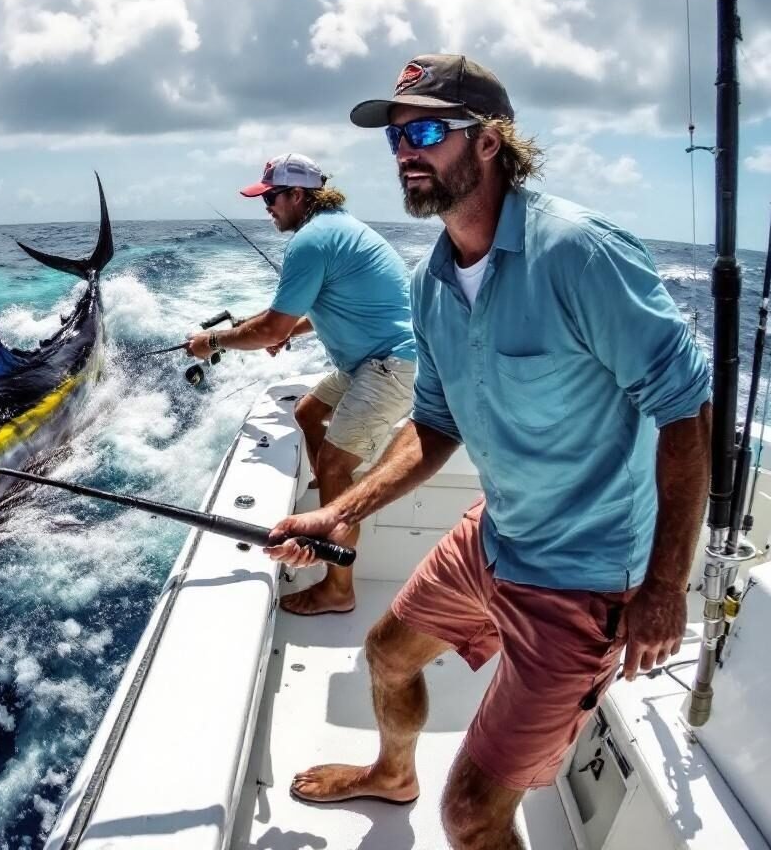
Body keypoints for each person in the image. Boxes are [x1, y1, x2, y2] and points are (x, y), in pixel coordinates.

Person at [263, 54, 712, 849]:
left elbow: (685, 411)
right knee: (388, 655)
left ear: (491, 142)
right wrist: (336, 509)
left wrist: (667, 585)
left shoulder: (580, 253)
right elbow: (434, 426)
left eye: (428, 130)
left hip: (586, 578)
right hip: (495, 535)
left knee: (471, 819)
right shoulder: (430, 280)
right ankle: (392, 774)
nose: (407, 150)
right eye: (397, 137)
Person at [184, 152, 417, 615]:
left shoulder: (312, 241)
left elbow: (269, 328)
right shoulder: (340, 229)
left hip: (389, 366)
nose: (267, 206)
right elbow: (333, 308)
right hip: (370, 361)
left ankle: (339, 589)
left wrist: (210, 341)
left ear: (298, 195)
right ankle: (326, 510)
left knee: (332, 466)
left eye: (272, 197)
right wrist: (290, 328)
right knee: (308, 413)